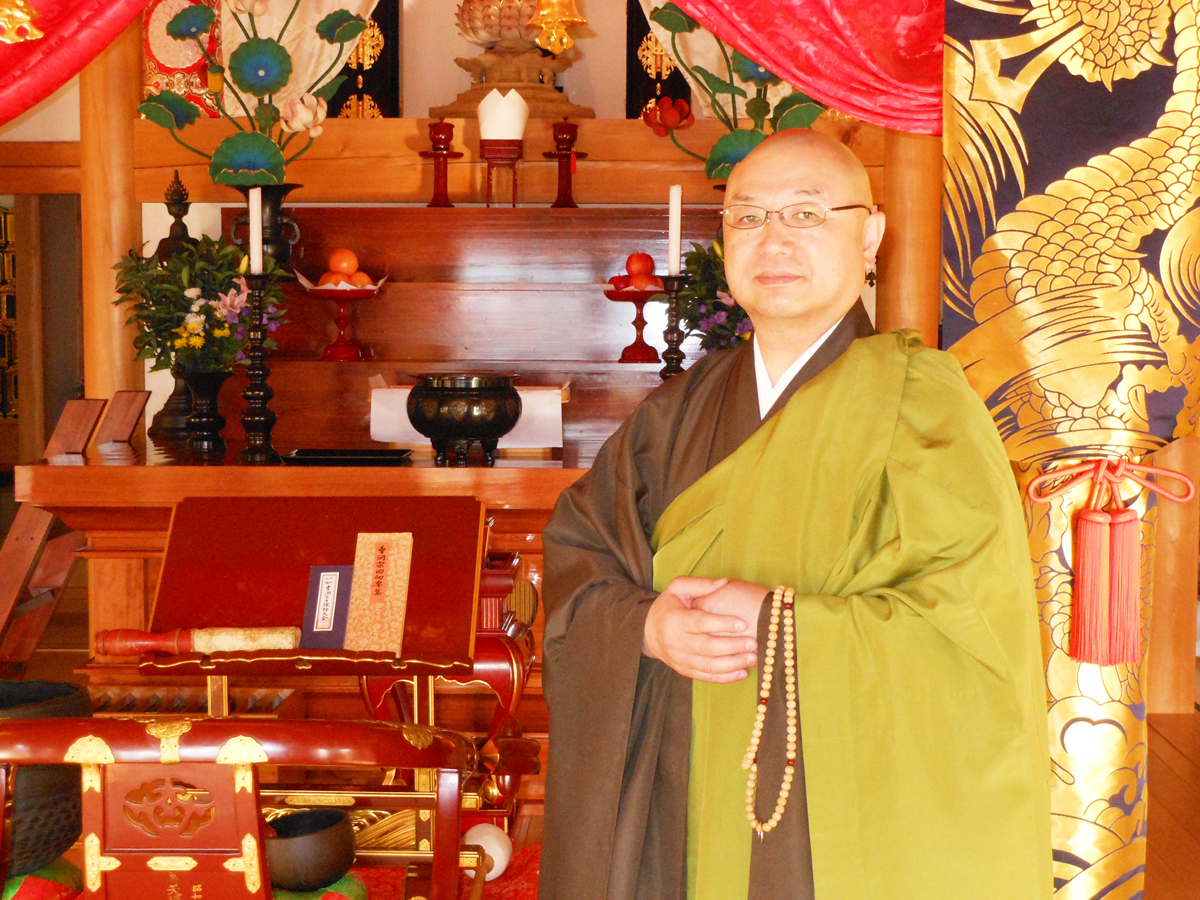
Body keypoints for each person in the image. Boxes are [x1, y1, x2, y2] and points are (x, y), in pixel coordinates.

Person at [538, 129, 1052, 900]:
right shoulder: (678, 411)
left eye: (807, 215)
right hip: (679, 772)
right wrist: (644, 627)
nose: (773, 240)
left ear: (870, 234)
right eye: (748, 218)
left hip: (834, 798)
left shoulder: (923, 404)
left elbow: (968, 625)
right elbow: (579, 553)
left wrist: (784, 626)